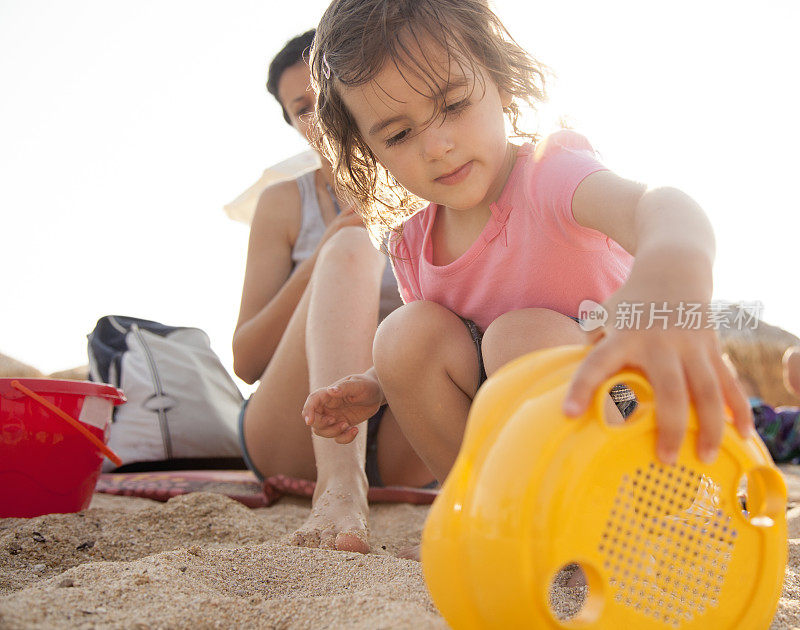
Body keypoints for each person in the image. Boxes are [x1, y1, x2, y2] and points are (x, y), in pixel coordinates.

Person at [301, 0, 754, 558]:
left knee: (520, 338)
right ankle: (490, 515)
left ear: (502, 83)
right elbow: (453, 351)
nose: (436, 145)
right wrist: (375, 385)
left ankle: (617, 527)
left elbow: (662, 207)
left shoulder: (551, 177)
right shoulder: (413, 242)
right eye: (397, 135)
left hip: (643, 429)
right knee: (404, 335)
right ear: (370, 153)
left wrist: (673, 269)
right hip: (536, 448)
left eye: (454, 104)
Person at [233, 29, 434, 554]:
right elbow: (247, 360)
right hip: (294, 430)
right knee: (349, 248)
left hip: (403, 434)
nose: (319, 118)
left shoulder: (437, 179)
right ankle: (339, 486)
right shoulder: (285, 202)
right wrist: (325, 249)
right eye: (301, 109)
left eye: (327, 97)